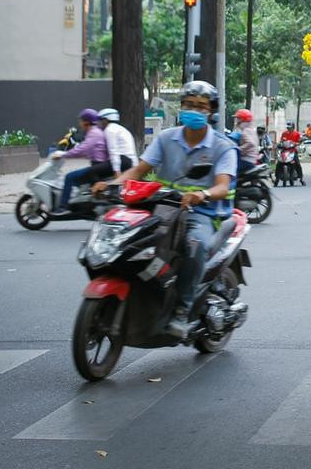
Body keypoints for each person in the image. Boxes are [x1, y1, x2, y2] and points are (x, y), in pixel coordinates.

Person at [93, 80, 237, 339]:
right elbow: (138, 171)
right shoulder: (166, 138)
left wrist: (201, 194)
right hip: (163, 208)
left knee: (195, 245)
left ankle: (182, 310)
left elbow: (222, 187)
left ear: (211, 111)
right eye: (189, 104)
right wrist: (110, 184)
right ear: (181, 107)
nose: (194, 110)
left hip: (201, 213)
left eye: (201, 106)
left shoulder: (222, 146)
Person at [51, 109, 112, 214]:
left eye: (81, 121)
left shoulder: (94, 133)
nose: (80, 123)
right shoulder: (94, 132)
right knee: (77, 180)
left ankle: (63, 207)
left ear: (86, 122)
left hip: (97, 168)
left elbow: (83, 149)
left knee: (69, 177)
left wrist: (63, 154)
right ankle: (78, 205)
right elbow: (86, 150)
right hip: (98, 166)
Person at [97, 108, 136, 176]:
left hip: (122, 162)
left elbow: (113, 151)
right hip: (131, 162)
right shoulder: (121, 129)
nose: (99, 123)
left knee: (92, 172)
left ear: (106, 120)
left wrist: (116, 170)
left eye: (100, 120)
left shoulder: (109, 130)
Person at [233, 109, 261, 175]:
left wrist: (238, 149)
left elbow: (250, 143)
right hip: (251, 160)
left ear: (242, 119)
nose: (236, 120)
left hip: (246, 160)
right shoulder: (251, 130)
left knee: (229, 170)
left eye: (238, 118)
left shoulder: (246, 130)